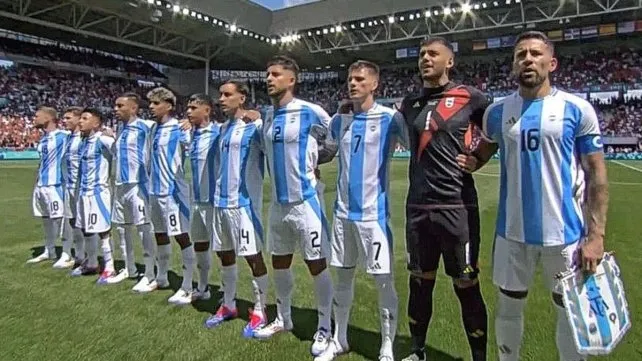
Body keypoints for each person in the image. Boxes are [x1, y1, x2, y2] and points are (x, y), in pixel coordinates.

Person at [457, 31, 608, 361]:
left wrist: (596, 236)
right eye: (521, 54)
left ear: (551, 63)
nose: (527, 59)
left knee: (567, 309)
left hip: (565, 235)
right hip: (512, 233)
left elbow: (597, 175)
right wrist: (474, 160)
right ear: (513, 64)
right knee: (509, 305)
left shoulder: (577, 109)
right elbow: (486, 147)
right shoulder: (497, 112)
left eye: (536, 54)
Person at [398, 37, 490, 361]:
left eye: (433, 53)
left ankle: (479, 357)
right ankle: (417, 351)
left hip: (457, 207)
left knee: (466, 285)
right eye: (422, 53)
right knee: (420, 284)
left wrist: (480, 157)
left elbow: (498, 129)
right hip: (418, 209)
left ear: (449, 61)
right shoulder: (408, 104)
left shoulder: (471, 97)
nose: (425, 58)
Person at [314, 60, 407, 361]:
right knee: (342, 278)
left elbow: (417, 145)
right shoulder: (339, 122)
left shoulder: (391, 119)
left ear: (374, 84)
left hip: (374, 217)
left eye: (359, 79)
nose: (352, 84)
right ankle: (340, 339)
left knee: (383, 280)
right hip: (342, 214)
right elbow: (326, 151)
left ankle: (387, 345)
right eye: (350, 79)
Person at [253, 55, 335, 358]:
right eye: (267, 74)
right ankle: (284, 318)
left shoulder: (311, 111)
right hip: (278, 205)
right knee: (279, 263)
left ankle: (325, 325)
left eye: (275, 74)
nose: (269, 79)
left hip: (306, 203)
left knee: (316, 264)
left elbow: (334, 138)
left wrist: (316, 162)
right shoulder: (266, 116)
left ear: (291, 80)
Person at [205, 81, 270, 339]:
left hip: (244, 205)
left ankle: (260, 309)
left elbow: (274, 149)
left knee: (253, 257)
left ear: (241, 98)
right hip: (221, 203)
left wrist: (262, 117)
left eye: (227, 94)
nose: (221, 99)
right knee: (225, 256)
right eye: (220, 94)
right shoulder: (223, 129)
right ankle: (229, 304)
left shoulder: (255, 127)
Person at [147, 87, 196, 305]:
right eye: (150, 103)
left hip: (173, 193)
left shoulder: (179, 129)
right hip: (154, 191)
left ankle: (187, 285)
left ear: (168, 105)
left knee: (182, 236)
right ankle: (162, 277)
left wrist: (191, 127)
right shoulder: (152, 130)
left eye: (156, 103)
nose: (151, 107)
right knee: (159, 233)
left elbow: (195, 146)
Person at [110, 92, 157, 288]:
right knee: (121, 228)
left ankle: (150, 273)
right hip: (120, 185)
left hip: (139, 185)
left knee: (143, 229)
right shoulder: (120, 129)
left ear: (134, 108)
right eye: (115, 105)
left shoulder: (147, 126)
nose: (116, 109)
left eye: (120, 106)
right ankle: (129, 267)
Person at [74, 108, 116, 284]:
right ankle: (91, 263)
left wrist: (113, 136)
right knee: (86, 229)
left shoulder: (103, 140)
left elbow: (121, 152)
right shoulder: (82, 142)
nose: (80, 121)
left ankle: (110, 267)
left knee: (103, 231)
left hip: (98, 193)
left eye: (85, 118)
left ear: (96, 123)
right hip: (83, 193)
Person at [185, 93, 219, 302]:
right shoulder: (189, 134)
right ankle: (203, 286)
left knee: (224, 249)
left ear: (206, 110)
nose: (188, 112)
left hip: (215, 202)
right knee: (199, 244)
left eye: (193, 108)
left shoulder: (219, 132)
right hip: (195, 201)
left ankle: (228, 294)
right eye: (187, 108)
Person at [27, 107, 70, 265]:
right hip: (41, 185)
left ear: (48, 118)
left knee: (60, 218)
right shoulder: (43, 138)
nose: (34, 118)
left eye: (37, 116)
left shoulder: (63, 136)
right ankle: (49, 250)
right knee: (46, 219)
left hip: (55, 185)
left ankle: (66, 252)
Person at [57, 106, 85, 269]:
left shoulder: (85, 137)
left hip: (82, 187)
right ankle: (75, 254)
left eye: (68, 118)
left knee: (83, 223)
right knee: (71, 220)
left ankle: (85, 255)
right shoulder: (68, 138)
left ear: (78, 119)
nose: (64, 121)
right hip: (69, 186)